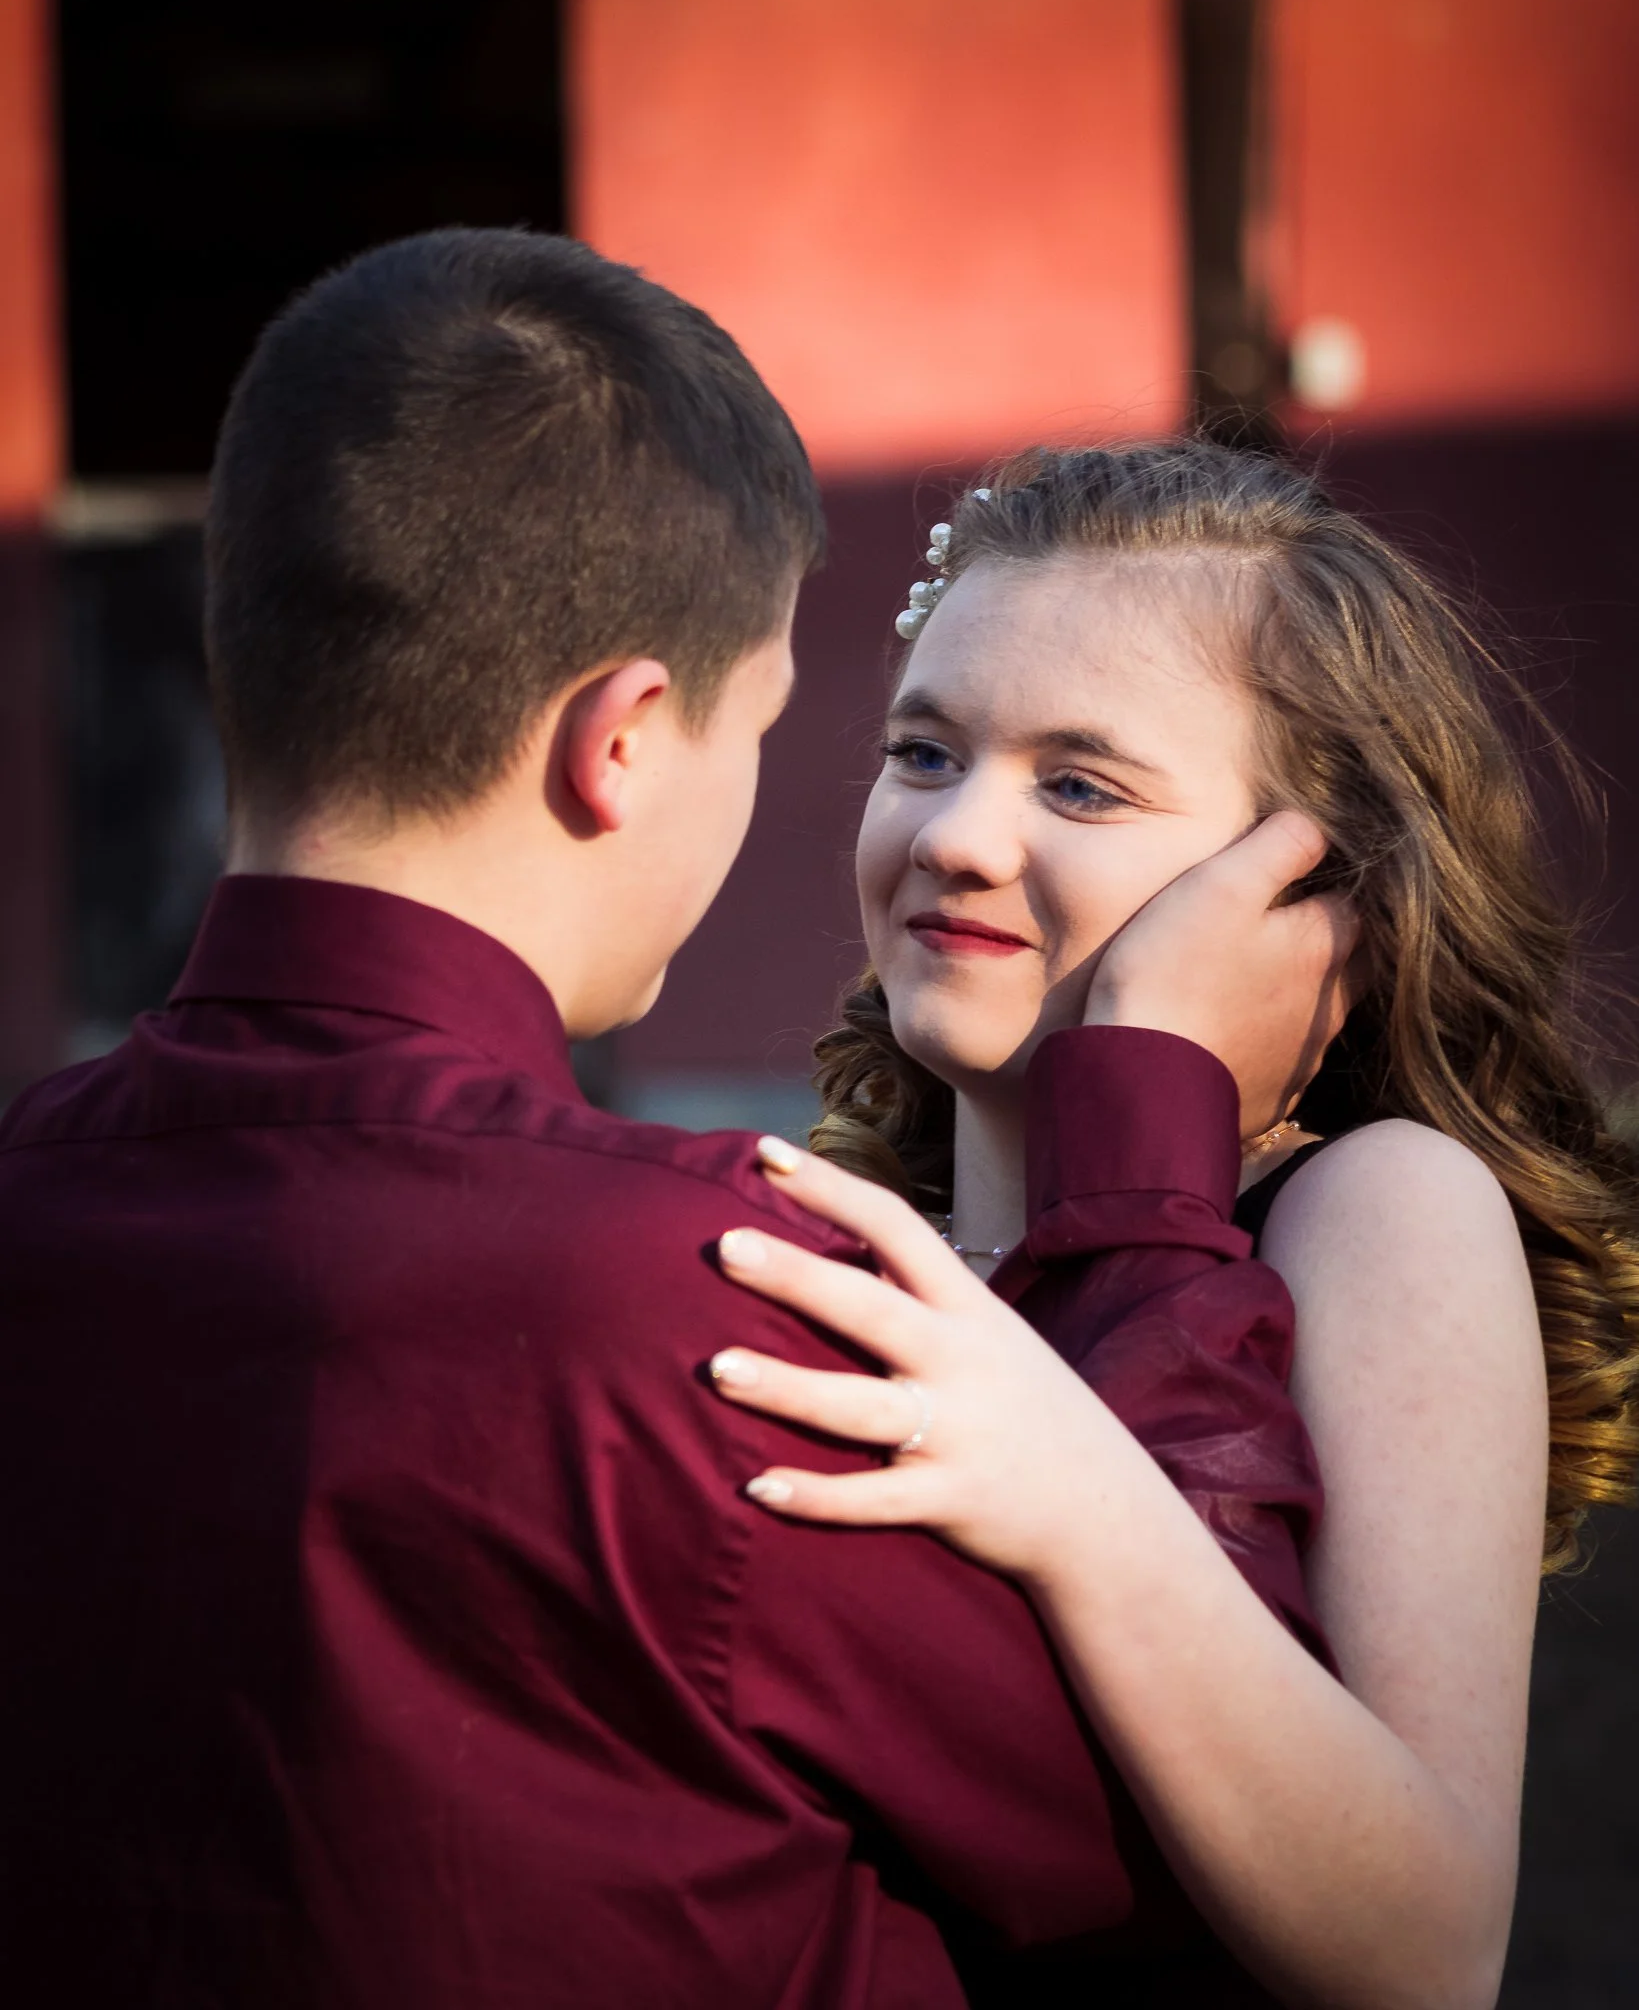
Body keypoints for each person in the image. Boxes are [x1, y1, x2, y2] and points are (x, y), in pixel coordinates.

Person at [0, 236, 1348, 2008]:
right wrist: (1152, 1120)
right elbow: (1210, 1839)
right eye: (780, 726)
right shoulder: (723, 1312)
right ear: (623, 738)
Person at [703, 440, 1639, 2010]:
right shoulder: (828, 1239)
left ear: (1305, 884)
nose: (954, 837)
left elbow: (1425, 1956)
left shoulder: (1376, 1206)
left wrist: (1145, 1070)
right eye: (923, 752)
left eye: (1079, 784)